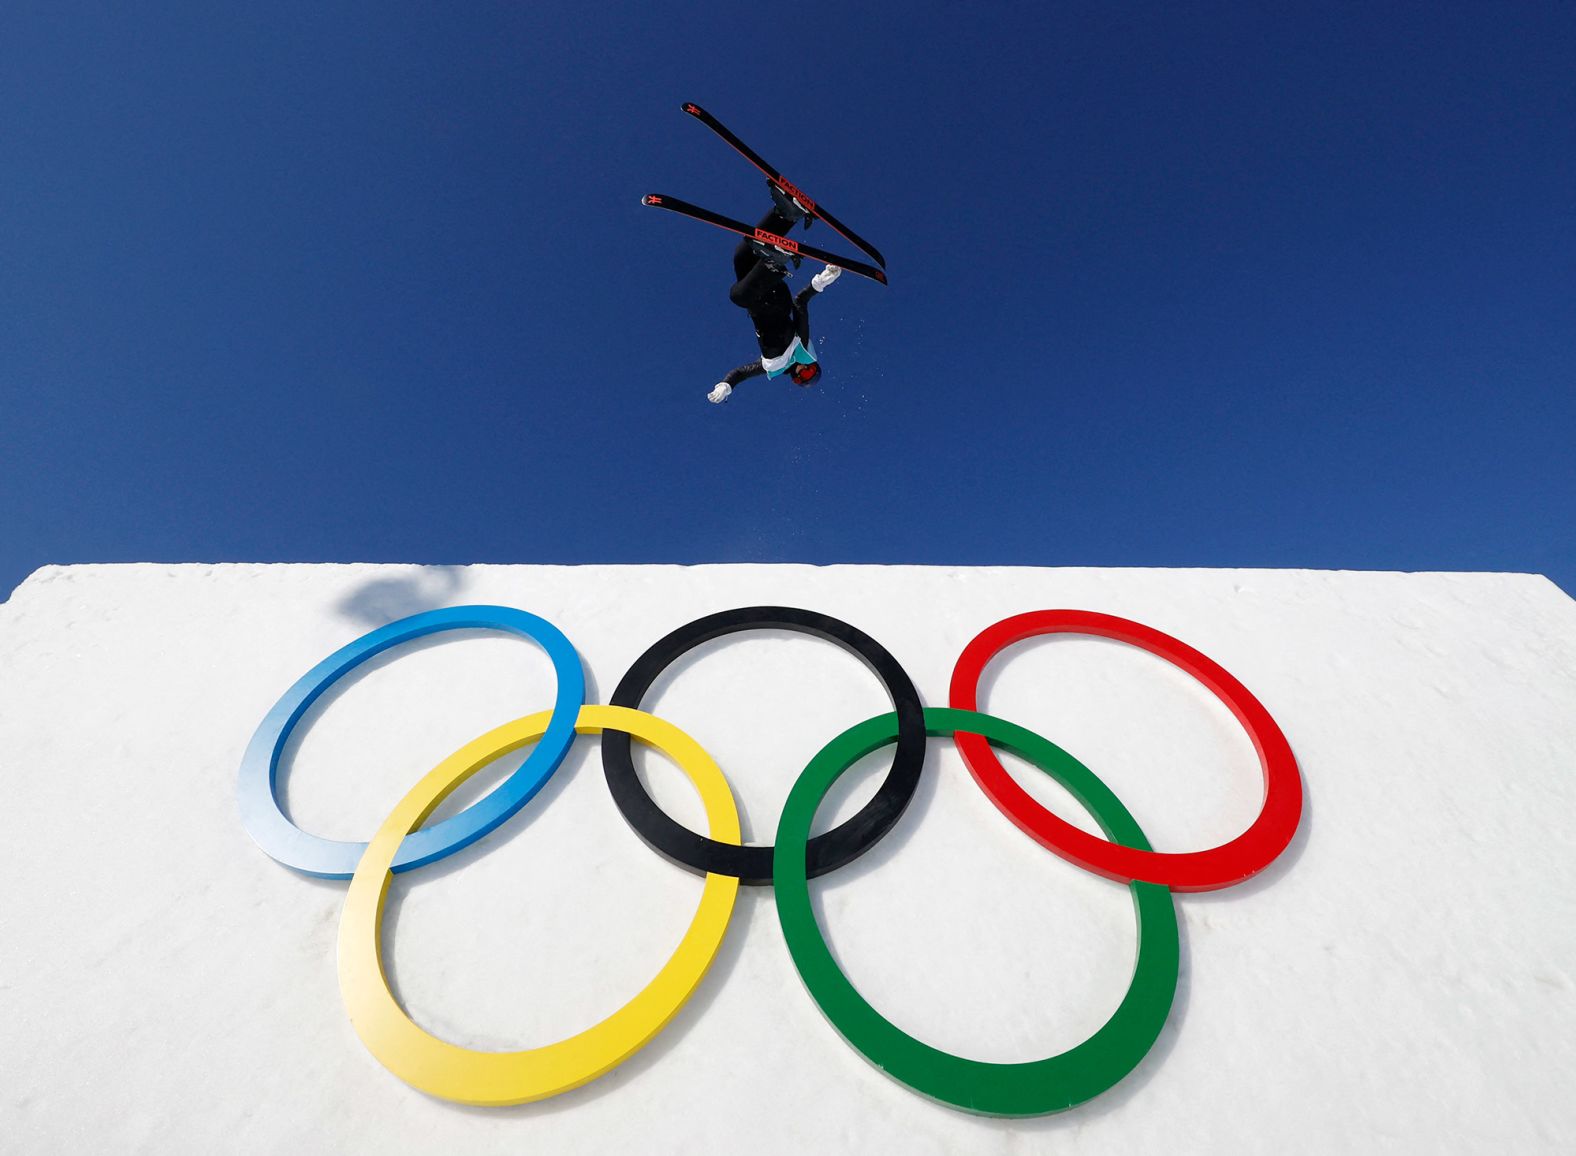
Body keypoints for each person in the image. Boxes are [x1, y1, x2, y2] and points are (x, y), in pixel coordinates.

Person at [707, 183, 842, 404]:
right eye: (809, 372)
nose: (801, 372)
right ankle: (772, 263)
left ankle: (787, 214)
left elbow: (741, 373)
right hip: (776, 299)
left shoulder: (771, 368)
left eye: (801, 379)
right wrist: (820, 282)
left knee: (741, 256)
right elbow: (800, 303)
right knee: (737, 296)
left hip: (758, 292)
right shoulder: (802, 349)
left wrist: (726, 384)